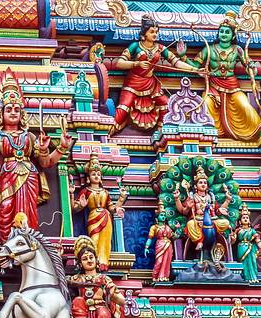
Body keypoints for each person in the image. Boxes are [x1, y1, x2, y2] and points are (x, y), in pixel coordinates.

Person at [0, 68, 72, 239]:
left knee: (29, 211)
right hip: (7, 176)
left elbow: (45, 163)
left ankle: (29, 243)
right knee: (6, 207)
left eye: (16, 109)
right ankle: (8, 244)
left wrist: (59, 148)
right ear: (1, 113)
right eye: (9, 109)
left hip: (29, 176)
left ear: (22, 114)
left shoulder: (29, 137)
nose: (13, 112)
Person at [177, 11, 261, 143]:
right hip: (213, 86)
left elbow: (249, 65)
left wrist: (251, 67)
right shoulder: (209, 49)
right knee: (205, 105)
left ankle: (253, 131)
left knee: (244, 105)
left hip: (232, 86)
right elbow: (195, 65)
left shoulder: (237, 49)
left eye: (227, 32)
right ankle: (212, 135)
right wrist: (183, 56)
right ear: (218, 33)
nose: (224, 34)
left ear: (233, 35)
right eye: (222, 31)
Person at [112, 15, 201, 133]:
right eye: (152, 32)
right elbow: (119, 63)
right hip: (133, 83)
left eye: (156, 32)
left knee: (167, 105)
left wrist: (195, 70)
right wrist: (136, 64)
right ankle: (108, 133)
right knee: (124, 107)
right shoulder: (135, 46)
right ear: (144, 33)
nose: (155, 34)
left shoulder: (159, 48)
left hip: (151, 84)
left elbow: (176, 62)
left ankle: (162, 134)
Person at [68, 236, 125, 318]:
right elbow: (63, 281)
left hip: (100, 307)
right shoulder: (77, 278)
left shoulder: (104, 279)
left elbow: (122, 301)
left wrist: (112, 293)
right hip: (84, 309)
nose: (89, 260)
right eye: (84, 259)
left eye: (91, 257)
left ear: (96, 259)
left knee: (103, 313)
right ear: (80, 264)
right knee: (78, 300)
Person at [71, 152, 127, 271]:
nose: (96, 176)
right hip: (93, 217)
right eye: (93, 174)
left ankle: (103, 262)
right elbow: (74, 208)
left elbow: (111, 208)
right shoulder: (85, 191)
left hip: (106, 217)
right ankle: (93, 262)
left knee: (105, 241)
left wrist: (121, 199)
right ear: (88, 177)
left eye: (98, 174)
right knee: (94, 239)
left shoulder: (105, 192)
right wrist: (76, 199)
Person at [173, 168, 231, 254]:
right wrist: (178, 199)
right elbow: (183, 211)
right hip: (197, 221)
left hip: (212, 221)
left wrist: (227, 200)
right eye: (200, 182)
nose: (203, 184)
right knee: (190, 224)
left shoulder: (211, 197)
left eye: (205, 182)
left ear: (207, 186)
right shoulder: (192, 197)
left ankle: (216, 239)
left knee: (226, 222)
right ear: (196, 186)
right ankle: (199, 241)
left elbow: (217, 211)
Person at [231, 204, 261, 282]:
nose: (245, 219)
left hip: (250, 248)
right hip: (241, 247)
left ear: (249, 220)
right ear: (240, 221)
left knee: (252, 262)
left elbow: (258, 240)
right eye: (243, 218)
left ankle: (252, 278)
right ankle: (245, 277)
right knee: (243, 263)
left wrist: (260, 246)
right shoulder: (238, 230)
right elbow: (232, 242)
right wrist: (233, 238)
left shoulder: (252, 230)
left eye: (247, 218)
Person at [145, 210, 177, 282]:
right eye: (161, 215)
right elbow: (150, 238)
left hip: (168, 245)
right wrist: (146, 247)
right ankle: (155, 277)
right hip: (160, 244)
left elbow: (174, 237)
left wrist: (177, 229)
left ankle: (164, 277)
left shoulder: (168, 227)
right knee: (159, 261)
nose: (163, 217)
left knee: (167, 262)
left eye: (164, 215)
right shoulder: (154, 227)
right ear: (157, 217)